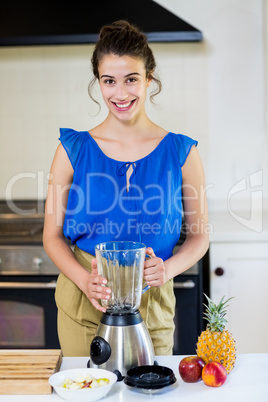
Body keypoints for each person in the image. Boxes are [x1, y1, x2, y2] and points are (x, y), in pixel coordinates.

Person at [43, 20, 209, 357]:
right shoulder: (71, 150)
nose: (120, 94)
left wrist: (168, 269)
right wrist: (81, 279)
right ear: (99, 82)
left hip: (152, 304)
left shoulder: (182, 152)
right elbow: (52, 235)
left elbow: (199, 236)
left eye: (131, 79)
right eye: (109, 81)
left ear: (149, 79)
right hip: (86, 302)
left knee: (150, 391)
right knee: (86, 391)